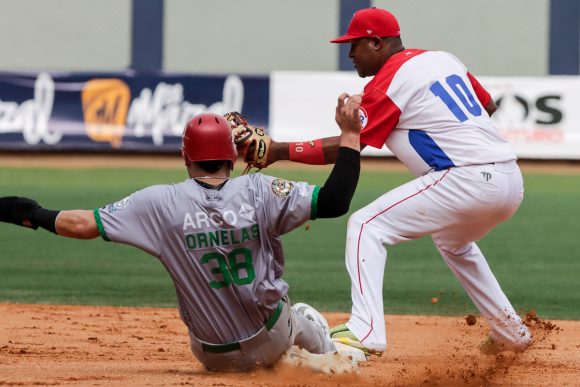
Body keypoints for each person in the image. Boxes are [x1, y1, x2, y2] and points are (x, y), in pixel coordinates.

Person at [0, 94, 363, 371]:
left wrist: (29, 213)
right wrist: (349, 134)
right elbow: (334, 201)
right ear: (232, 156)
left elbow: (80, 225)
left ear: (185, 157)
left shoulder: (158, 202)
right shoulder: (260, 190)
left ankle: (281, 359)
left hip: (211, 355)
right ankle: (329, 356)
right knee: (303, 316)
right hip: (270, 337)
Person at [263, 7, 532, 356]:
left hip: (467, 179)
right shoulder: (443, 58)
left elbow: (348, 144)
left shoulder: (391, 79)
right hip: (510, 178)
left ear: (376, 42)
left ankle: (365, 329)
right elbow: (488, 105)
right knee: (452, 242)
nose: (349, 54)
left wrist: (278, 149)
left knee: (365, 226)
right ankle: (510, 329)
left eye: (354, 45)